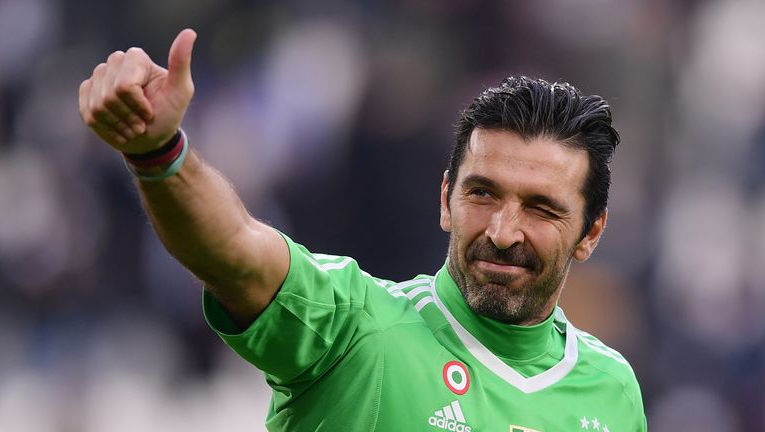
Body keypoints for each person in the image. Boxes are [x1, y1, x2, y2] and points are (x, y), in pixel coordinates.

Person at [79, 29, 647, 431]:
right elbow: (233, 250)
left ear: (591, 231)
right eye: (483, 193)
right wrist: (159, 153)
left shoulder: (613, 392)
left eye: (541, 209)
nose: (502, 231)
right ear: (446, 198)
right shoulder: (356, 328)